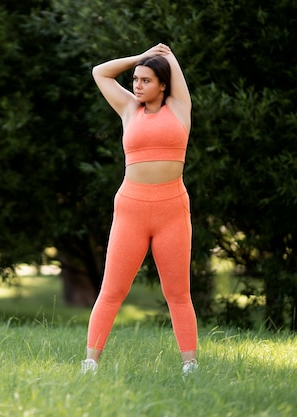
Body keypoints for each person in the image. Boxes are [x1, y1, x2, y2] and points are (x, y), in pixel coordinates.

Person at [81, 43, 198, 376]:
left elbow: (172, 66)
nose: (137, 85)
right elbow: (99, 72)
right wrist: (141, 57)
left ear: (163, 84)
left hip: (172, 208)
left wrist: (165, 56)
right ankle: (90, 362)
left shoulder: (179, 107)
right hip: (131, 207)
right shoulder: (129, 109)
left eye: (146, 80)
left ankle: (190, 365)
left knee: (177, 292)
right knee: (112, 290)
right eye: (136, 79)